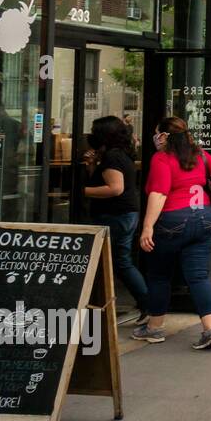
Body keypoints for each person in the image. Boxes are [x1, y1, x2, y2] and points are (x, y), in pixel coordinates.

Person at [136, 116, 211, 350]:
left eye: (158, 133)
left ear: (165, 136)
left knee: (159, 276)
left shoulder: (162, 158)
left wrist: (147, 227)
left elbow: (158, 194)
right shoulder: (199, 154)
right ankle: (210, 330)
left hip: (172, 221)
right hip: (204, 218)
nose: (155, 137)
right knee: (199, 277)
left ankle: (155, 327)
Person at [82, 115, 147, 322]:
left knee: (120, 261)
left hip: (116, 214)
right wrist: (92, 167)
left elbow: (115, 188)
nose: (90, 135)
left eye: (94, 130)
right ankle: (147, 304)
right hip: (125, 213)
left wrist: (82, 191)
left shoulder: (113, 157)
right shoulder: (119, 154)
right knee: (120, 260)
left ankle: (148, 304)